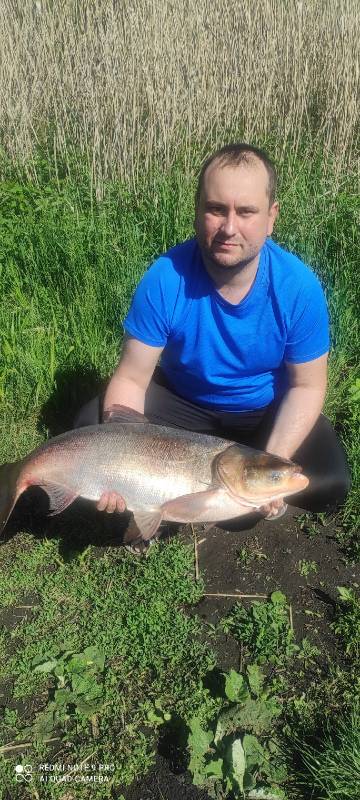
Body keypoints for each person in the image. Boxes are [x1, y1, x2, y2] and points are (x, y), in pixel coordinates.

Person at [75, 143, 350, 528]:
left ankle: (216, 494)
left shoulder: (299, 287)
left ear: (271, 217)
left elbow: (306, 387)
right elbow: (132, 377)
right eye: (216, 209)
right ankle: (157, 491)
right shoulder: (165, 277)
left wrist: (268, 467)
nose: (229, 227)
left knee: (331, 483)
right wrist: (121, 451)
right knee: (89, 426)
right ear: (197, 210)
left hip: (260, 409)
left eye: (246, 211)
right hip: (182, 401)